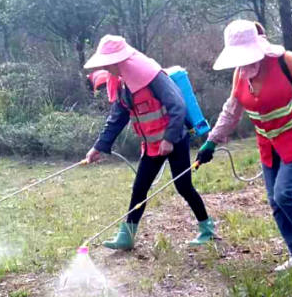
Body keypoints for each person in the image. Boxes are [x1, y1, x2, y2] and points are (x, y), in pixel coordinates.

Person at [199, 20, 292, 271]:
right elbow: (231, 111)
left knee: (284, 193)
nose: (245, 63)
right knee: (273, 200)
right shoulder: (239, 74)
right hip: (268, 144)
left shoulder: (285, 61)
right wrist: (211, 141)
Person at [82, 35, 214, 250]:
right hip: (151, 145)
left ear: (119, 61)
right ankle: (126, 236)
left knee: (183, 186)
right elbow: (117, 118)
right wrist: (99, 147)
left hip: (175, 140)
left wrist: (169, 138)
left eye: (108, 62)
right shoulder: (121, 84)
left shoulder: (152, 76)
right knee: (139, 188)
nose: (105, 66)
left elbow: (178, 105)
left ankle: (207, 228)